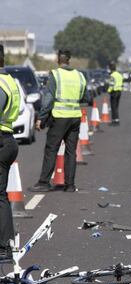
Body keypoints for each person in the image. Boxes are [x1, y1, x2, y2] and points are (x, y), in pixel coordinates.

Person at [28, 49, 89, 193]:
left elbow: (48, 99)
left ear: (58, 59)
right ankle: (70, 185)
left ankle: (44, 182)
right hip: (75, 117)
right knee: (71, 151)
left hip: (60, 117)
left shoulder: (56, 75)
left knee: (51, 149)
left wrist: (41, 118)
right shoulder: (79, 76)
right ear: (69, 59)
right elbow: (86, 97)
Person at [0, 44, 20, 262]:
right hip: (8, 139)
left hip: (1, 141)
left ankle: (4, 247)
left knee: (0, 197)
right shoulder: (11, 81)